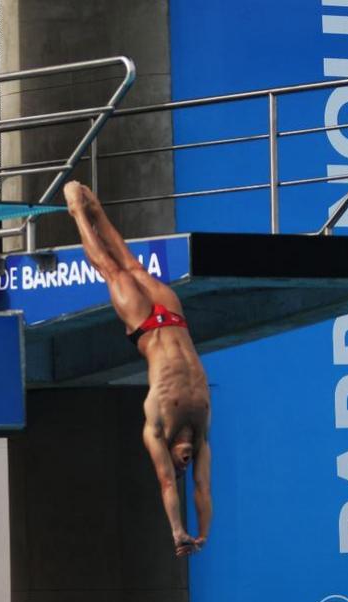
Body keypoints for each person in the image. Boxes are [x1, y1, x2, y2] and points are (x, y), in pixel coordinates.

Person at [64, 181, 211, 557]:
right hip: (175, 318)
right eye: (185, 466)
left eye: (179, 465)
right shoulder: (203, 429)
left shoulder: (157, 426)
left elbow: (166, 484)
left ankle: (77, 213)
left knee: (111, 272)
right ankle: (96, 209)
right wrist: (204, 532)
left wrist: (179, 532)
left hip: (146, 326)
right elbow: (202, 490)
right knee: (131, 264)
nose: (184, 463)